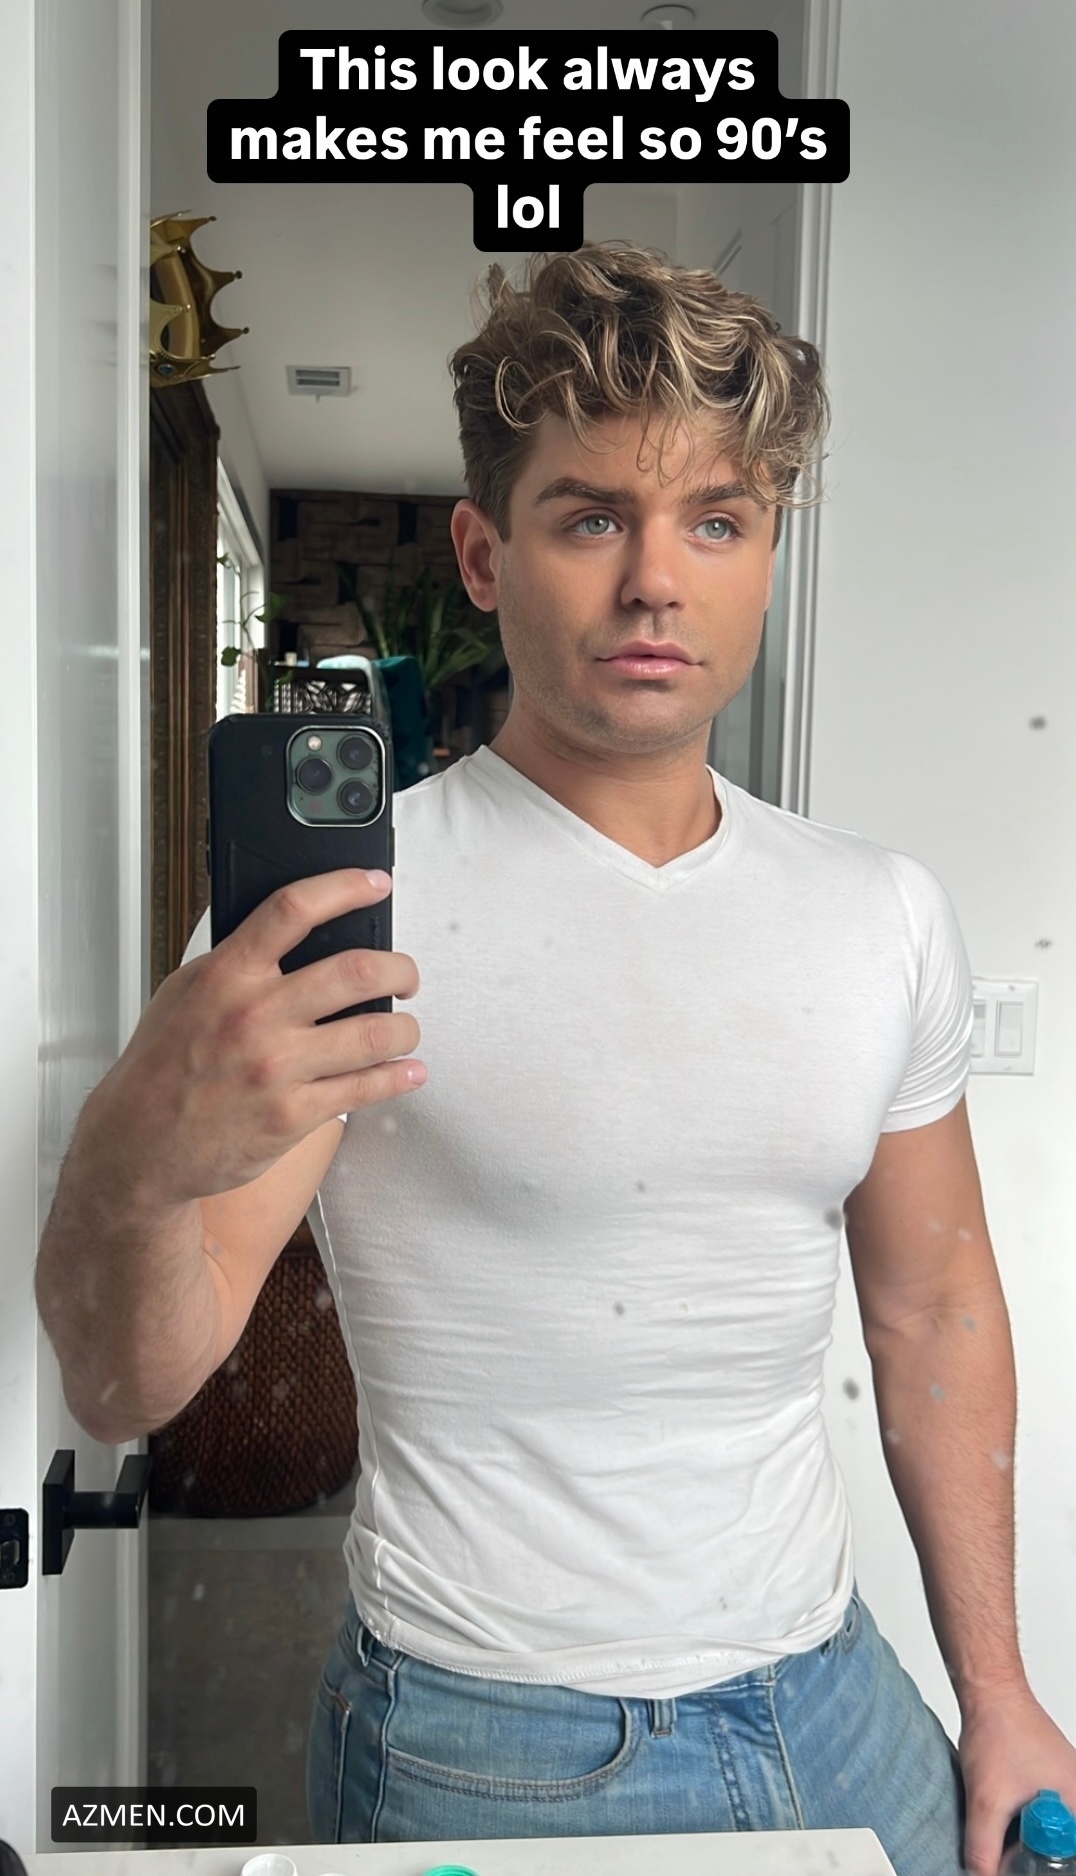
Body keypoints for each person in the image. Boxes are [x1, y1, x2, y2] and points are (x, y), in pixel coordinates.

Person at [35, 244, 1076, 1876]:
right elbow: (124, 1385)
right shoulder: (346, 916)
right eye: (593, 518)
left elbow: (934, 1306)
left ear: (767, 554)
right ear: (483, 553)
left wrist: (998, 1691)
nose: (656, 581)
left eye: (716, 520)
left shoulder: (883, 912)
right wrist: (134, 1154)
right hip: (488, 1739)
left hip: (840, 1697)